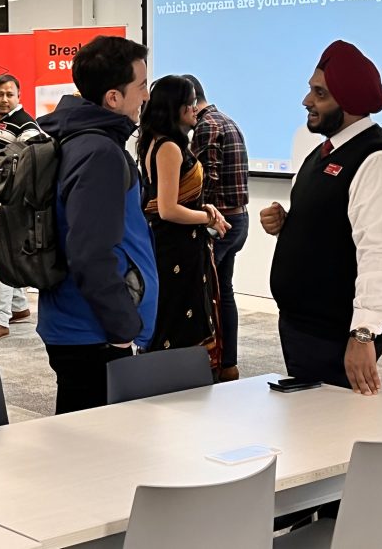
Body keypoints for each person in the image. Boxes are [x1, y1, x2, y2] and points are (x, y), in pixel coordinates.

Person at [262, 40, 382, 394]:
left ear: (347, 102)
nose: (307, 101)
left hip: (336, 334)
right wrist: (287, 223)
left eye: (320, 94)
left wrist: (363, 334)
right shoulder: (323, 152)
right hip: (303, 326)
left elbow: (380, 253)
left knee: (336, 437)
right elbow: (332, 223)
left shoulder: (377, 161)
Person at [36, 36, 159, 414]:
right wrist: (123, 329)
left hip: (83, 326)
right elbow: (89, 252)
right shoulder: (99, 152)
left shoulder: (81, 141)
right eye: (141, 86)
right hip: (93, 333)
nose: (146, 96)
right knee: (92, 456)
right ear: (113, 98)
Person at [138, 75, 228, 366]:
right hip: (174, 246)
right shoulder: (168, 148)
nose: (194, 109)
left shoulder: (165, 142)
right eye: (189, 104)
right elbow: (167, 208)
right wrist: (206, 218)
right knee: (176, 320)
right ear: (175, 108)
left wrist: (205, 210)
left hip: (181, 244)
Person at [185, 74, 248, 381]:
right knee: (224, 292)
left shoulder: (206, 126)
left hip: (219, 222)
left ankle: (209, 364)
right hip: (237, 219)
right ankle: (228, 363)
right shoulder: (226, 120)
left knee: (205, 293)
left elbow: (204, 181)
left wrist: (194, 214)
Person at [0, 74, 42, 341]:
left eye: (10, 94)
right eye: (0, 94)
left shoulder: (27, 125)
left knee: (0, 261)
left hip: (6, 203)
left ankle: (0, 320)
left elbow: (30, 168)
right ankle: (19, 305)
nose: (4, 99)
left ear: (19, 96)